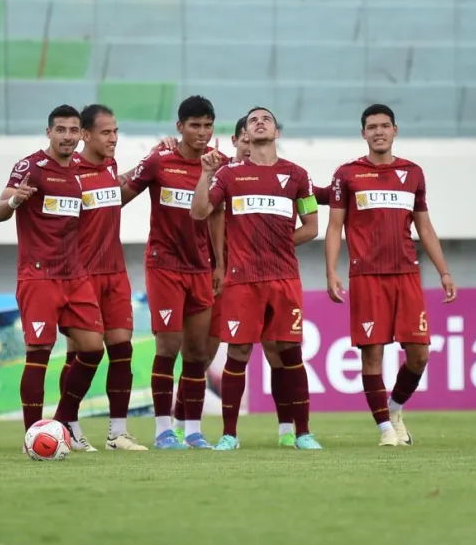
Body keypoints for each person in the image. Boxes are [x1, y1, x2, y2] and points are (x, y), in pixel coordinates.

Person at [324, 104, 457, 447]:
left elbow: (424, 227)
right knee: (373, 355)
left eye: (385, 126)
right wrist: (331, 271)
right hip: (366, 276)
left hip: (406, 275)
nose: (379, 131)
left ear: (395, 130)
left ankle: (395, 408)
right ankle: (385, 430)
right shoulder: (347, 174)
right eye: (372, 127)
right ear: (363, 133)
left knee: (420, 354)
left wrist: (443, 272)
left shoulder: (412, 173)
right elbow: (335, 226)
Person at [191, 106, 322, 451]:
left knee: (290, 353)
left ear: (276, 132)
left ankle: (303, 432)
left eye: (266, 119)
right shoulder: (230, 175)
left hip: (283, 278)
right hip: (243, 279)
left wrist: (279, 243)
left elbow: (312, 227)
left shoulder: (298, 176)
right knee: (239, 352)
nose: (260, 122)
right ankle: (230, 435)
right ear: (245, 134)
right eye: (253, 120)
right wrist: (205, 175)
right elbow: (199, 212)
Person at [0, 104, 106, 453]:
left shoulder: (80, 174)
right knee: (39, 352)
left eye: (74, 131)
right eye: (61, 130)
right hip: (38, 276)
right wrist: (15, 202)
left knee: (92, 348)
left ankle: (60, 422)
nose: (68, 137)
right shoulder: (31, 167)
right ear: (49, 133)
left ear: (82, 135)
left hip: (74, 276)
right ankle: (32, 437)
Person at [120, 95, 223, 450]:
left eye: (207, 125)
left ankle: (192, 431)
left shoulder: (219, 166)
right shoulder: (159, 160)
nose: (202, 132)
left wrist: (219, 264)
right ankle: (164, 431)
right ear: (179, 127)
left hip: (200, 269)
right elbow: (119, 196)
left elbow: (219, 219)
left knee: (197, 353)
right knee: (168, 346)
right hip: (164, 266)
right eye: (194, 125)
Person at [59, 104, 147, 451]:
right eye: (106, 132)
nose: (113, 139)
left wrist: (153, 161)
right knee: (81, 352)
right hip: (80, 275)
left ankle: (117, 433)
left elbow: (113, 200)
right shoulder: (69, 172)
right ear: (84, 135)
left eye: (116, 132)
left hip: (114, 273)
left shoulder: (110, 166)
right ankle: (68, 426)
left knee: (122, 348)